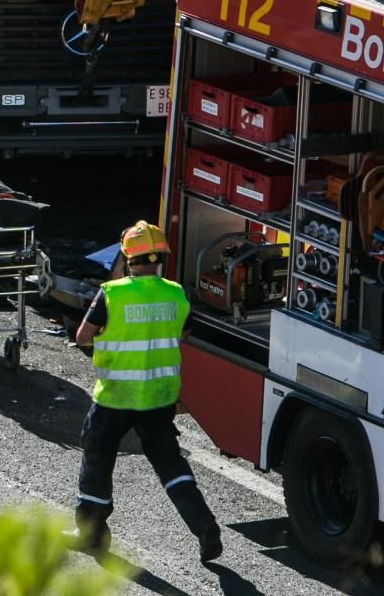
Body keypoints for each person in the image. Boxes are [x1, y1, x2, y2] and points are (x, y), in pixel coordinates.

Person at [70, 220, 223, 562]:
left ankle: (92, 533)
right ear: (160, 258)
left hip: (115, 397)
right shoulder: (175, 293)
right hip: (159, 397)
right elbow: (182, 334)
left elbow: (83, 337)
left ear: (127, 257)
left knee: (97, 454)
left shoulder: (113, 293)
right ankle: (204, 525)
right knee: (169, 463)